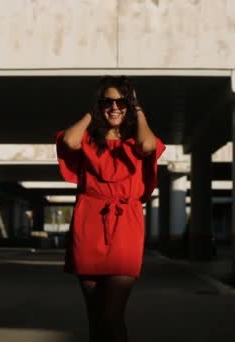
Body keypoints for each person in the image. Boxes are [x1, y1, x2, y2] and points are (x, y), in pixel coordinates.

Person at [55, 76, 165, 342]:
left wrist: (137, 107)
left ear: (130, 105)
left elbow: (149, 146)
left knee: (112, 315)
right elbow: (69, 141)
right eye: (107, 102)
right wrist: (93, 112)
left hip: (125, 225)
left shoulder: (136, 142)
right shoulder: (87, 141)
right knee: (95, 317)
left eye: (121, 102)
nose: (114, 107)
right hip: (88, 223)